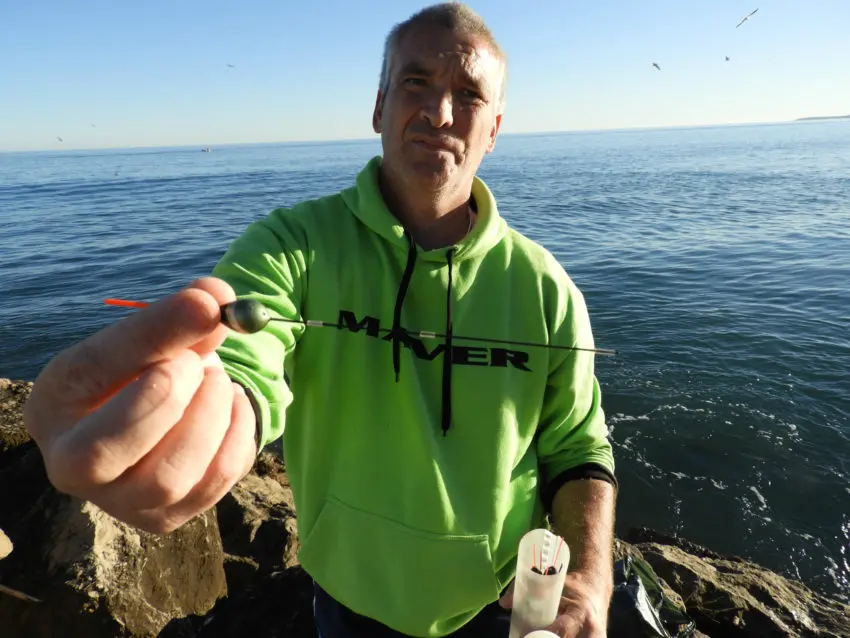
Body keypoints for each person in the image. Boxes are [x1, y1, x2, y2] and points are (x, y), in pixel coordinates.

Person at [24, 3, 617, 637]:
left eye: (468, 95)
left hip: (497, 609)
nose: (440, 113)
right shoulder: (292, 244)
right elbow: (247, 357)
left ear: (494, 129)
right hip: (346, 604)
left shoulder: (545, 288)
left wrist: (592, 573)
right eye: (416, 83)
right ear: (378, 107)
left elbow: (578, 447)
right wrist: (211, 414)